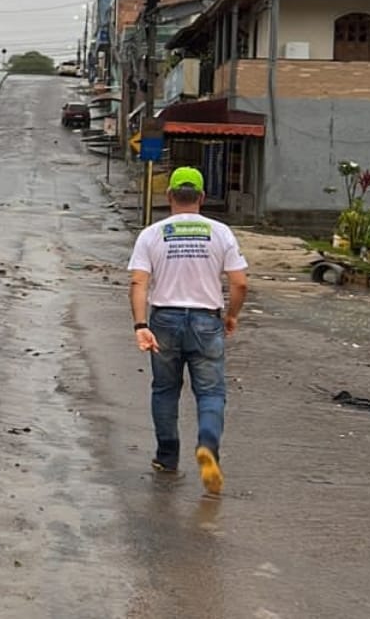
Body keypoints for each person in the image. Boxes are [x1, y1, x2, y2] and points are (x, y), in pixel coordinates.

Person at [127, 166, 248, 494]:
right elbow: (239, 282)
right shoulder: (220, 232)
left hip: (164, 320)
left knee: (165, 389)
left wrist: (140, 325)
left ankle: (167, 457)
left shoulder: (152, 234)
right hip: (207, 321)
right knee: (210, 392)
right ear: (202, 197)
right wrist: (232, 316)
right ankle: (208, 445)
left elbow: (139, 281)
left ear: (169, 197)